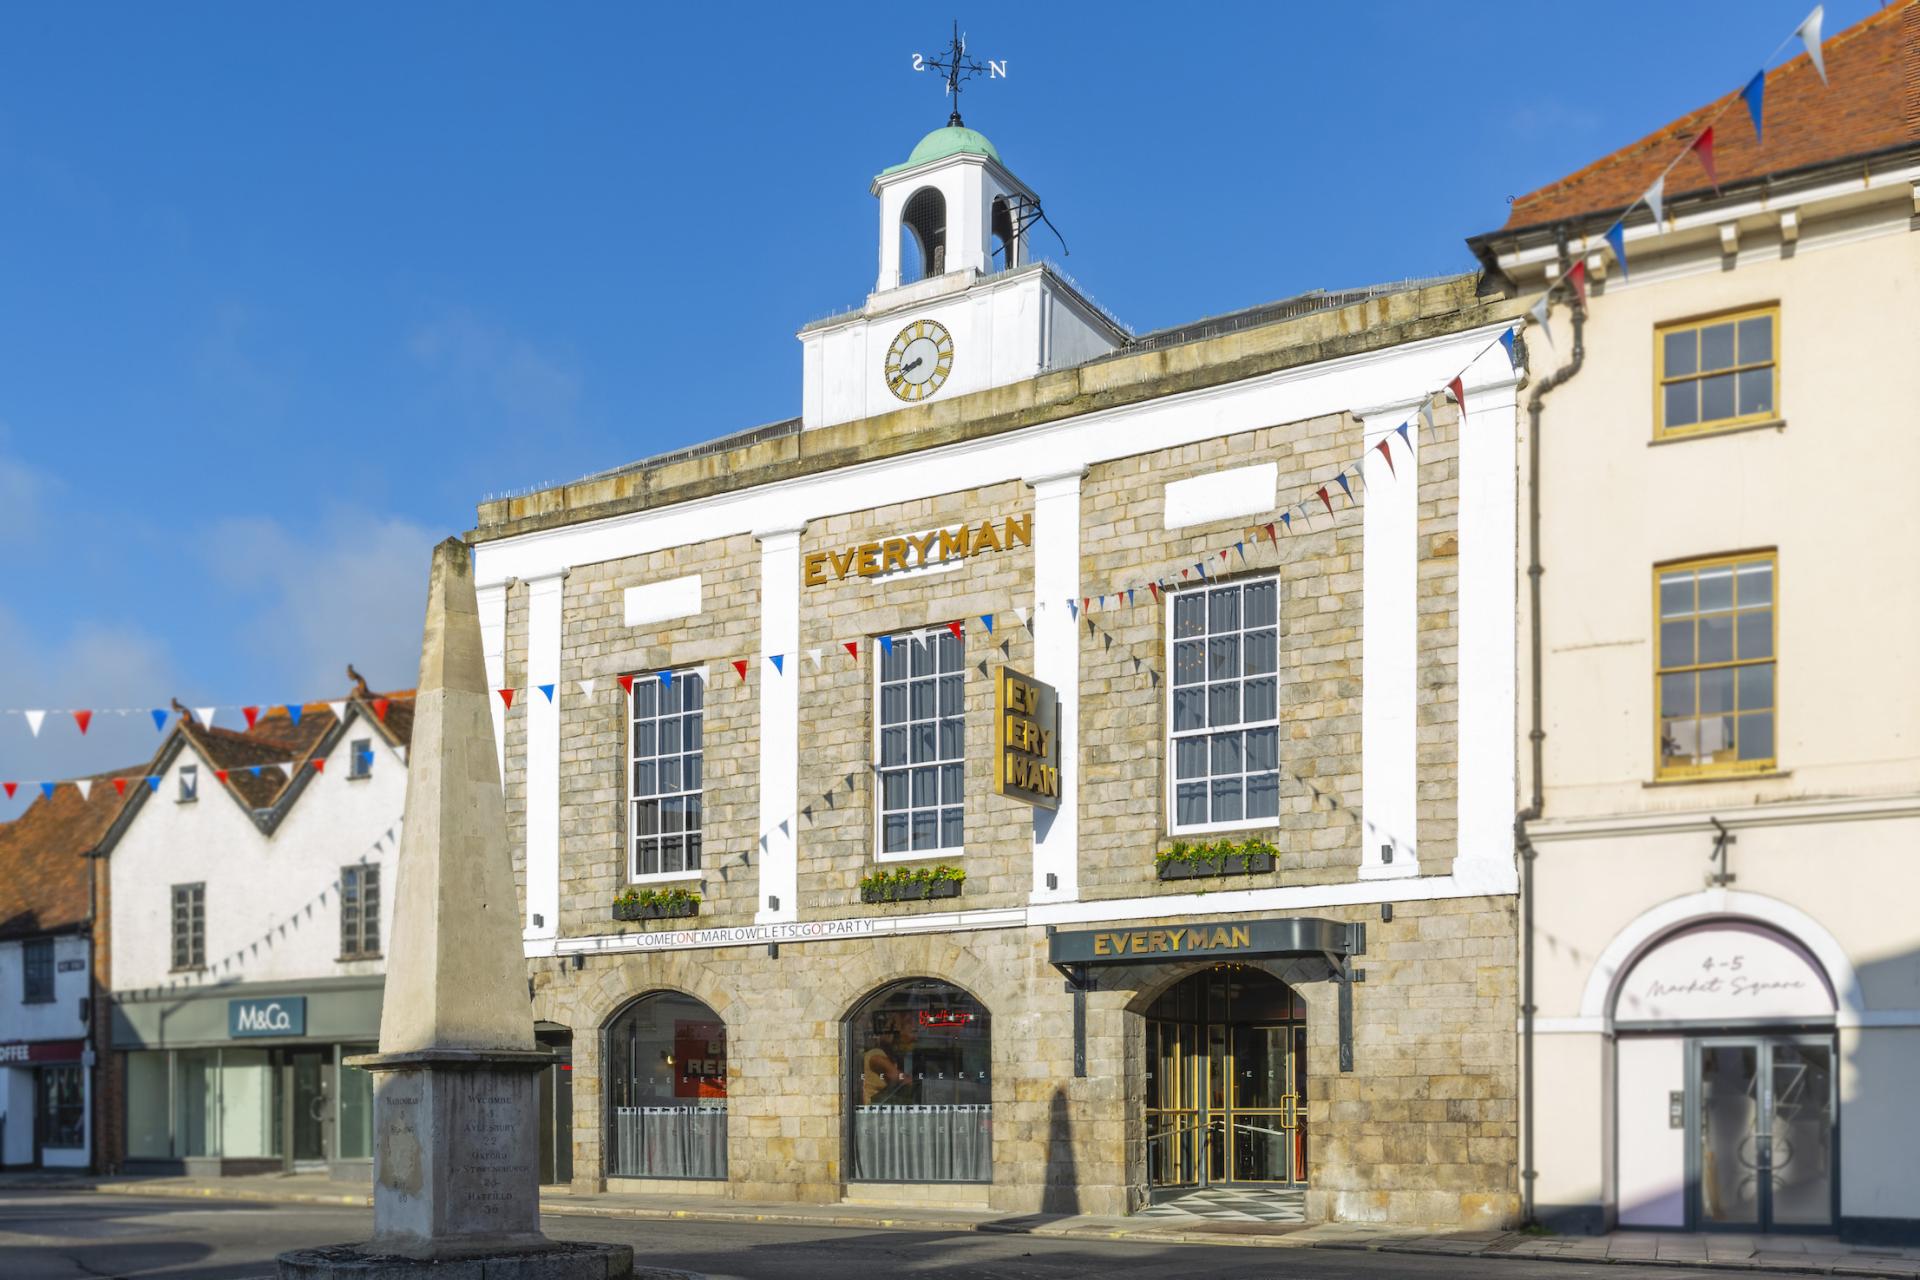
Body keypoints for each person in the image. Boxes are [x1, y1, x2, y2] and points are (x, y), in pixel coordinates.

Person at [861, 1011, 917, 1104]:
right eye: (912, 1032)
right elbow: (902, 1079)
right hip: (873, 1112)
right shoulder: (876, 1056)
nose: (915, 1038)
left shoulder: (893, 1058)